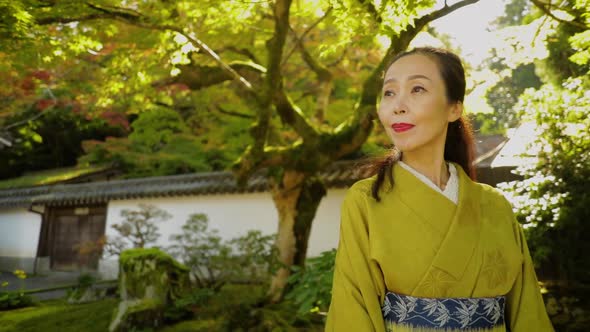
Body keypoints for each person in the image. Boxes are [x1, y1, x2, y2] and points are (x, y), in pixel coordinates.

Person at [325, 47, 553, 332]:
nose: (398, 106)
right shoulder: (366, 200)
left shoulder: (495, 205)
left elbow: (527, 309)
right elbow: (352, 307)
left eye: (417, 89)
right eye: (389, 92)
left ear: (454, 108)